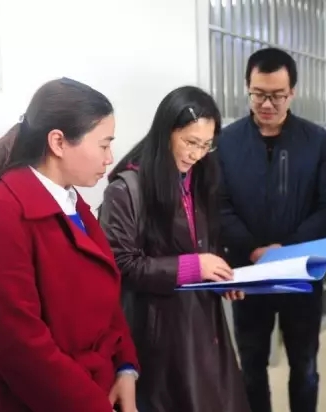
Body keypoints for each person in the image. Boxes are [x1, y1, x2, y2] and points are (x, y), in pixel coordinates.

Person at [0, 78, 139, 412]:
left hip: (94, 389)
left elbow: (106, 297)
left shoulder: (72, 203)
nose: (110, 158)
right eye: (103, 145)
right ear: (58, 142)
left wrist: (125, 367)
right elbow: (20, 349)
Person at [98, 85, 251, 412]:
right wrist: (195, 266)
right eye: (190, 142)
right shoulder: (126, 190)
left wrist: (219, 275)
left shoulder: (201, 177)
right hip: (159, 333)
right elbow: (122, 264)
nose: (197, 154)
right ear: (166, 132)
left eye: (206, 145)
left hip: (203, 324)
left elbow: (204, 243)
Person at [216, 47, 326, 412]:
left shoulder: (316, 140)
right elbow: (218, 205)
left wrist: (286, 249)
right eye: (258, 94)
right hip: (248, 274)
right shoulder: (227, 142)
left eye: (277, 95)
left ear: (292, 93)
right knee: (251, 368)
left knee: (304, 367)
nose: (267, 104)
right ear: (247, 87)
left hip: (299, 274)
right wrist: (253, 249)